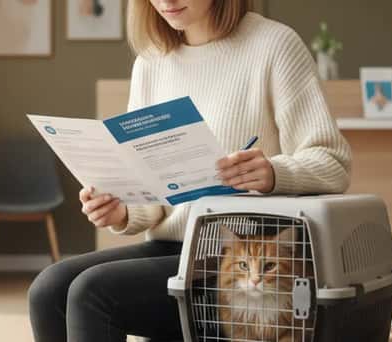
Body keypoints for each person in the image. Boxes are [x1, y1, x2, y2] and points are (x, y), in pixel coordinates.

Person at [28, 1, 352, 341]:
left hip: (238, 257)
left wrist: (274, 173)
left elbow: (333, 162)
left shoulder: (275, 45)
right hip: (170, 247)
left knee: (91, 292)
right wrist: (123, 210)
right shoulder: (151, 62)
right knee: (49, 288)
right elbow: (151, 188)